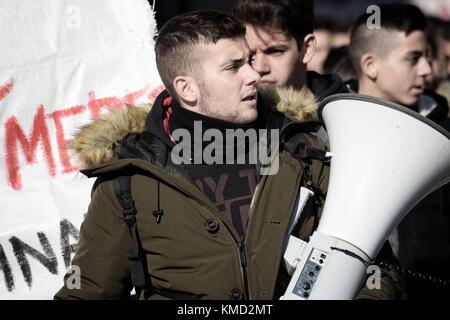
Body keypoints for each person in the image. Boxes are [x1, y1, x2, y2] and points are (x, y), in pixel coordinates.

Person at [54, 9, 332, 300]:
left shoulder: (302, 146)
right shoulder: (132, 175)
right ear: (187, 88)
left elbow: (374, 264)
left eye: (248, 60)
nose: (253, 74)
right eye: (233, 67)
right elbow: (88, 291)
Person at [233, 0, 401, 300]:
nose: (258, 67)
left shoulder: (357, 124)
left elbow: (384, 255)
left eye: (275, 51)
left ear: (308, 48)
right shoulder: (231, 121)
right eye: (249, 55)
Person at [348, 3, 450, 299]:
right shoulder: (328, 134)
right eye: (413, 58)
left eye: (428, 57)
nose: (427, 70)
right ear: (371, 65)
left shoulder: (444, 132)